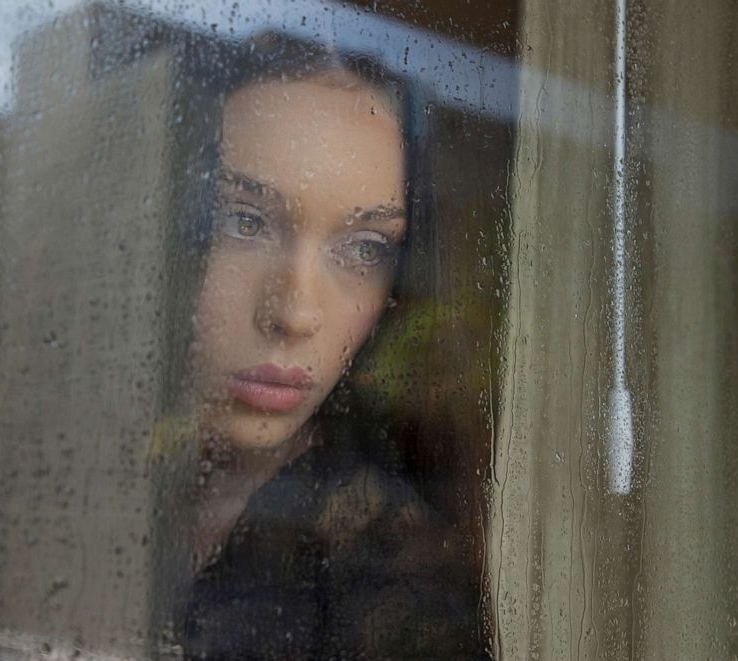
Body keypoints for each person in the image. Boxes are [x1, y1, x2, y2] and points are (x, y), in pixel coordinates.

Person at [150, 33, 486, 660]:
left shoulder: (398, 565)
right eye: (243, 221)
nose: (295, 312)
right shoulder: (124, 485)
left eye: (364, 248)